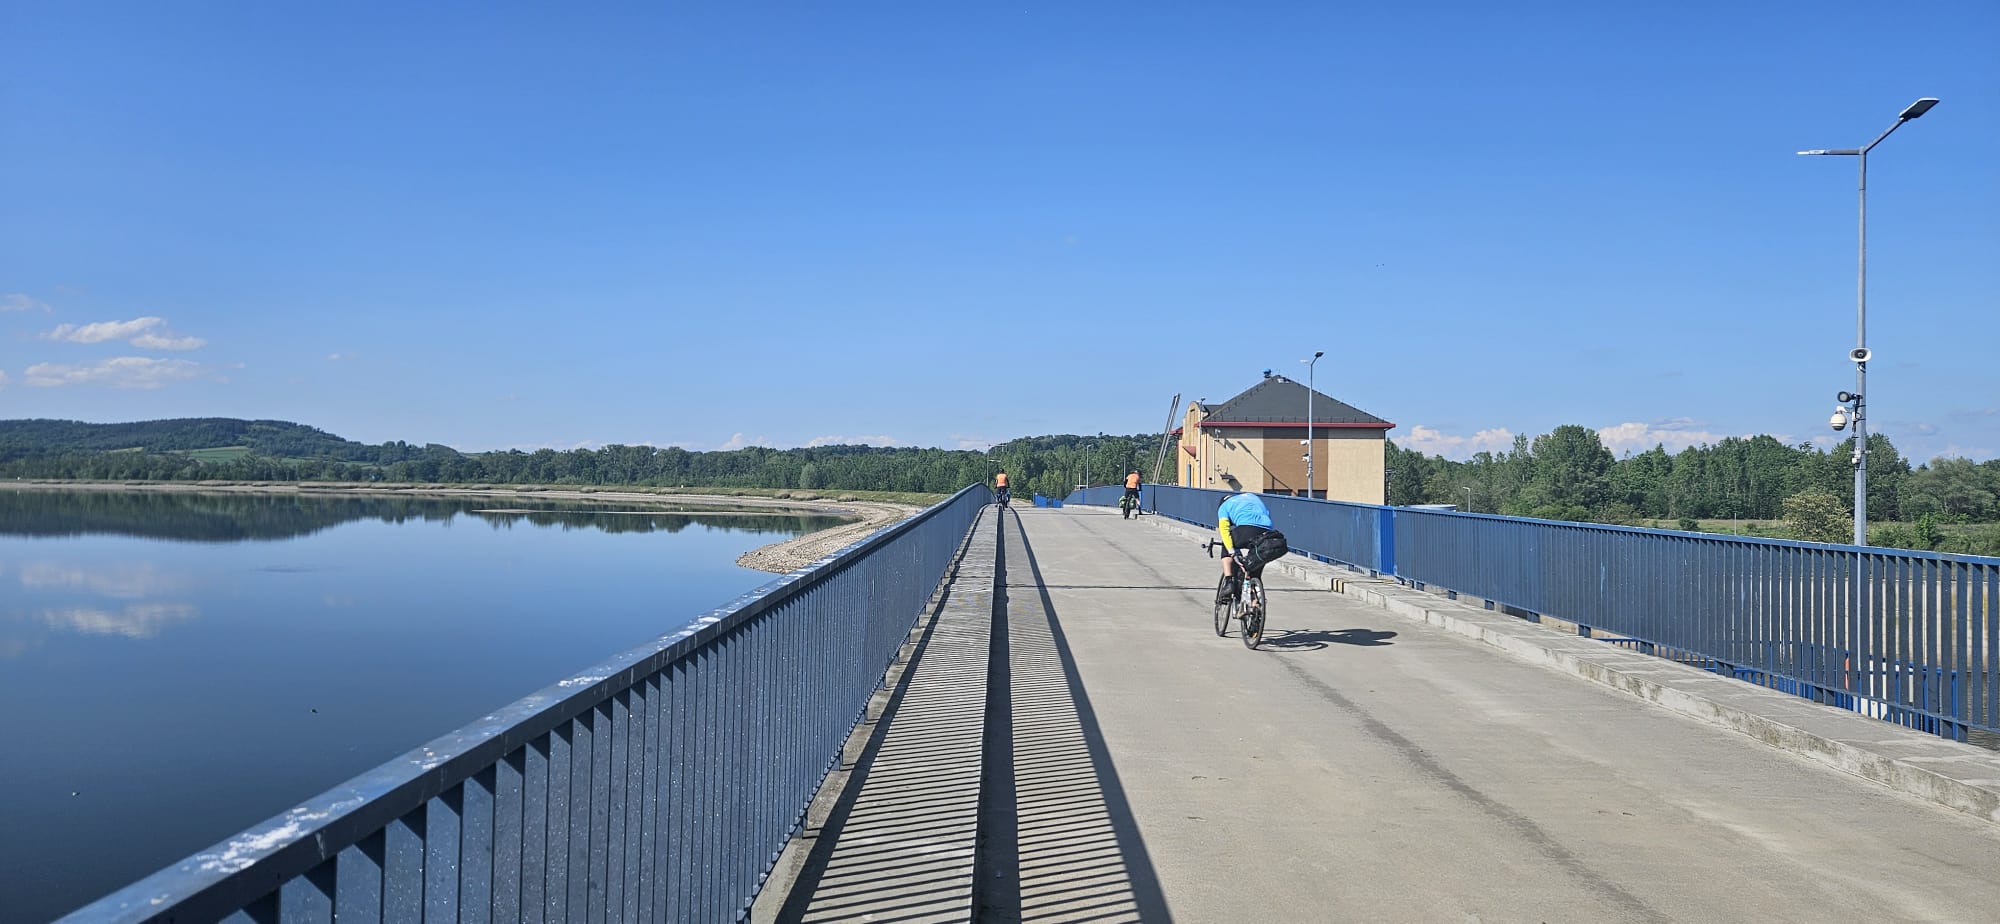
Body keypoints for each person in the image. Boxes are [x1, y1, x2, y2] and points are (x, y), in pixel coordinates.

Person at [1215, 477, 1274, 604]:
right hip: (1266, 531)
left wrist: (1231, 551)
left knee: (1227, 543)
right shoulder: (1252, 497)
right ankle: (1255, 602)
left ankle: (1229, 582)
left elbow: (1224, 531)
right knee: (1254, 569)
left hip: (1247, 529)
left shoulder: (1223, 507)